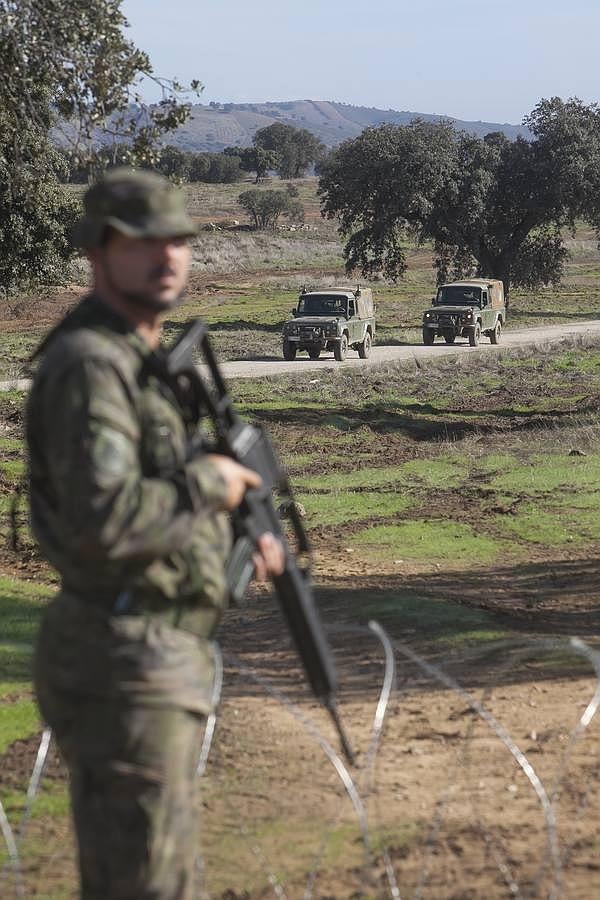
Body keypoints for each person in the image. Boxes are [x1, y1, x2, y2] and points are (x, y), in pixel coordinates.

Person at [26, 167, 284, 900]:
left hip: (153, 654)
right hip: (123, 662)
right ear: (99, 251)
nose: (167, 256)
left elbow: (153, 492)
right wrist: (212, 483)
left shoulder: (138, 359)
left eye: (179, 240)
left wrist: (234, 532)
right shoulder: (91, 365)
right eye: (144, 241)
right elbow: (105, 520)